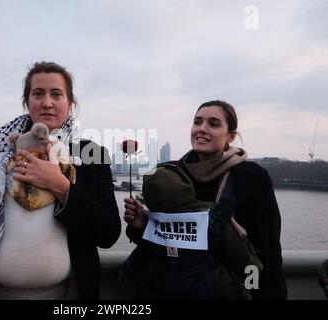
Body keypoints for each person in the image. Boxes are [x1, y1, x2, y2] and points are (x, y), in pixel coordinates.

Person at [0, 61, 121, 300]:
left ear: (70, 104)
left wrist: (60, 185)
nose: (47, 102)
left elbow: (108, 232)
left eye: (56, 94)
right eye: (38, 93)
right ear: (27, 102)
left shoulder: (92, 154)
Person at [123, 100, 287, 300]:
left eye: (214, 124)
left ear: (231, 136)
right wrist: (140, 224)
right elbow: (159, 242)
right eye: (197, 122)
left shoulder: (251, 178)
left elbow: (268, 244)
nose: (202, 129)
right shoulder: (169, 174)